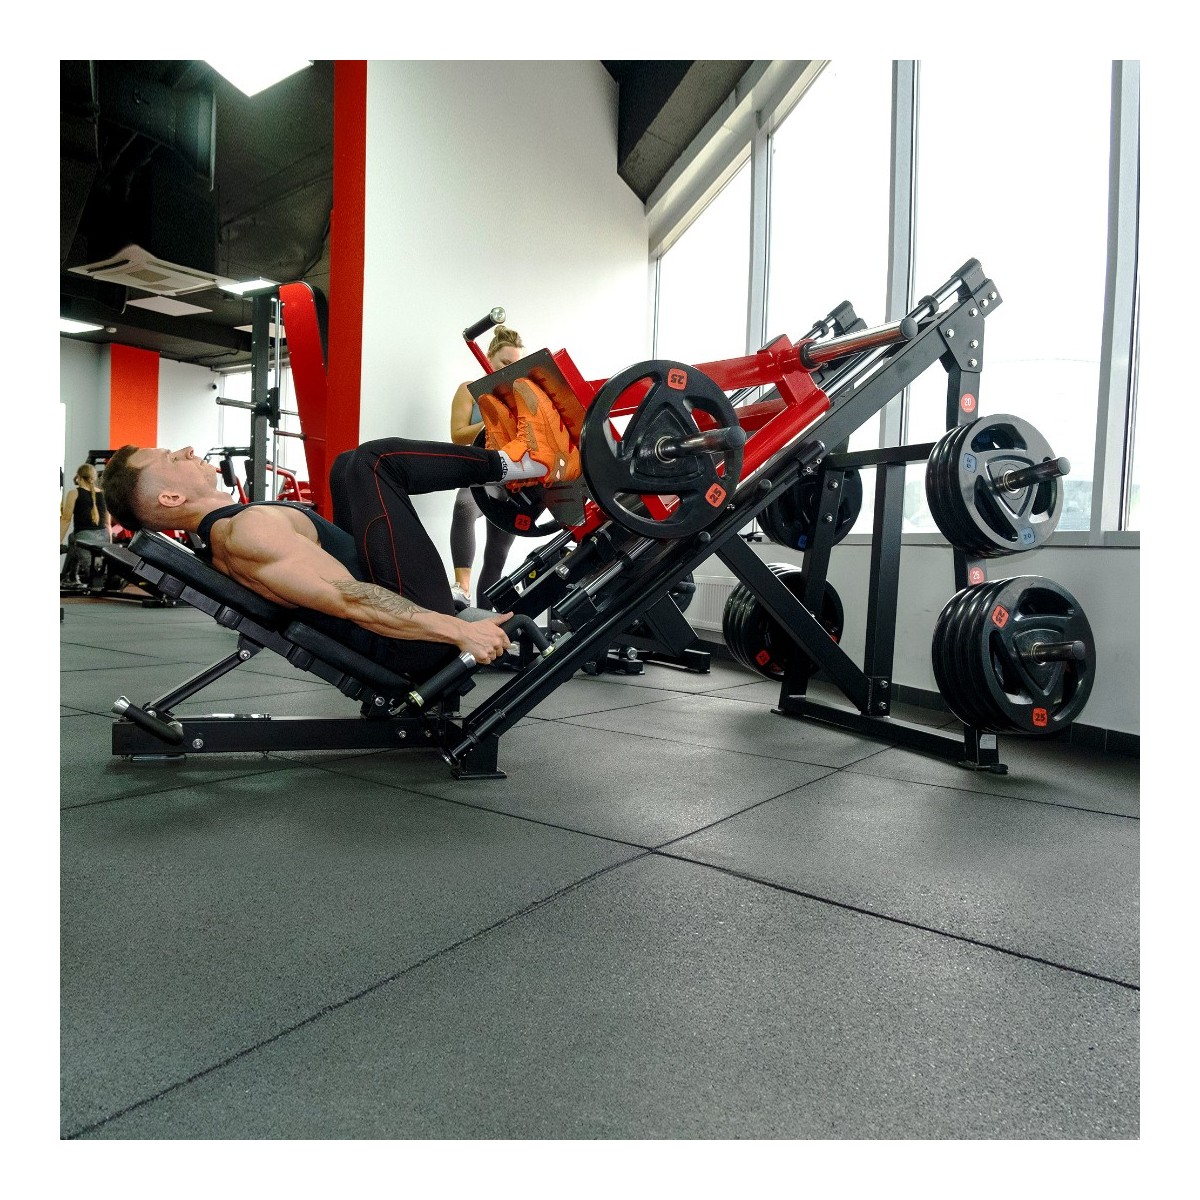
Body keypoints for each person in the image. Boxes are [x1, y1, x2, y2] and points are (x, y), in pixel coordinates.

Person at [99, 388, 580, 682]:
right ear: (171, 499)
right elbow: (349, 598)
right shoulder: (245, 533)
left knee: (347, 466)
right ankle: (522, 464)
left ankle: (509, 472)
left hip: (405, 624)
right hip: (413, 644)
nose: (185, 449)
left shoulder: (235, 529)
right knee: (372, 462)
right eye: (170, 458)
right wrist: (459, 630)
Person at [447, 325, 524, 609]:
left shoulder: (521, 397)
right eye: (504, 363)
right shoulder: (469, 390)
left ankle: (485, 617)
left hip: (512, 478)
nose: (509, 369)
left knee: (496, 557)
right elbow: (458, 435)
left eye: (515, 365)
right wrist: (493, 421)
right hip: (481, 472)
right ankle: (462, 588)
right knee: (465, 506)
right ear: (489, 356)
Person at [60, 462, 113, 587]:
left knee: (96, 578)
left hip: (84, 538)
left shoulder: (74, 493)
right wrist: (110, 546)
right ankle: (72, 576)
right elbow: (108, 524)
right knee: (72, 538)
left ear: (78, 477)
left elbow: (66, 520)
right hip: (103, 536)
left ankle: (73, 577)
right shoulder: (103, 494)